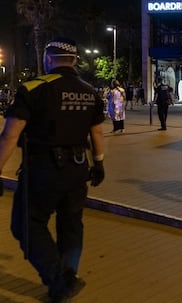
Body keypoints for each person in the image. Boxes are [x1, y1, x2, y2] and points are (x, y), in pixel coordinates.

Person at [0, 37, 105, 302]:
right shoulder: (89, 91)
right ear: (74, 61)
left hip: (43, 170)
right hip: (79, 170)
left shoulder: (34, 88)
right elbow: (97, 131)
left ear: (48, 59)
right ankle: (67, 277)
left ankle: (59, 279)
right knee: (71, 225)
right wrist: (100, 163)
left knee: (27, 224)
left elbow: (10, 136)